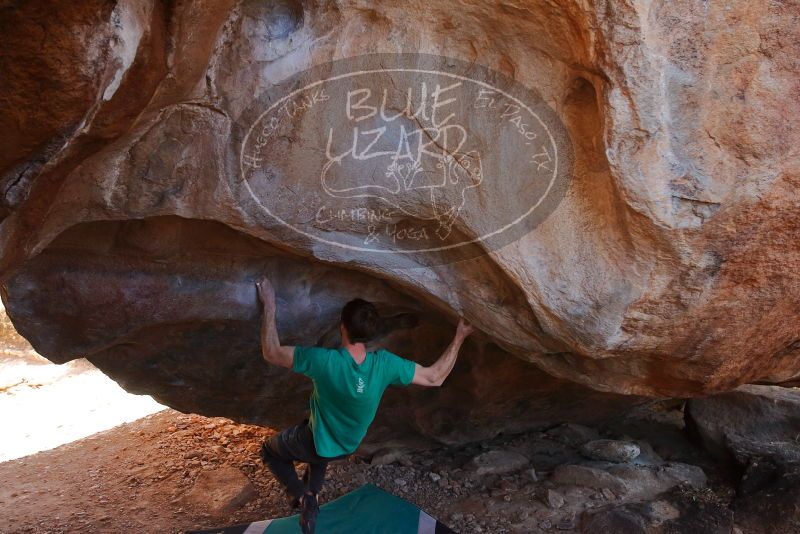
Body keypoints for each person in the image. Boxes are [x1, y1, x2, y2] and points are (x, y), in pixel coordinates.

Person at [255, 277, 474, 533]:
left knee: (271, 451)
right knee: (319, 439)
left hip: (317, 441)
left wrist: (269, 304)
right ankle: (313, 493)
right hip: (348, 446)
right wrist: (460, 336)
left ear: (342, 328)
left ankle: (303, 497)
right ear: (371, 333)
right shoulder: (384, 364)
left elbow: (271, 351)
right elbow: (435, 377)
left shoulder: (325, 362)